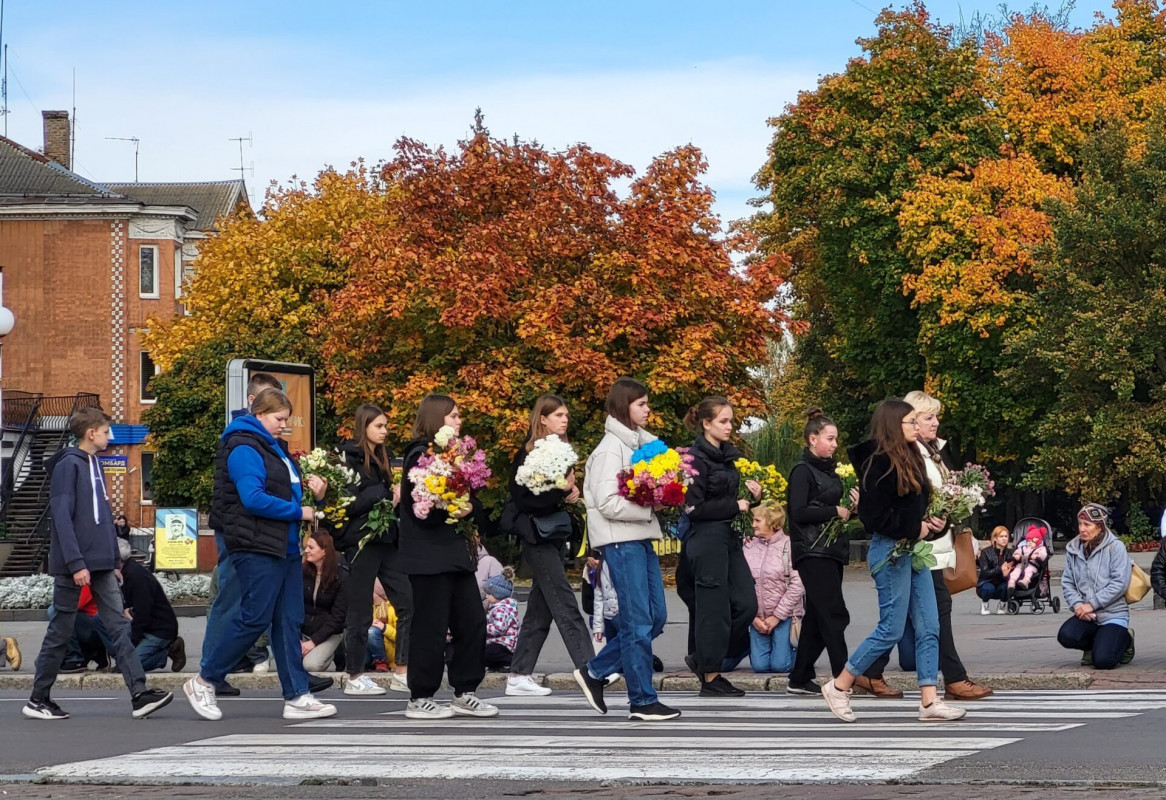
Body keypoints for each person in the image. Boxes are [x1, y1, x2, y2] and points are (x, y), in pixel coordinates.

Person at [184, 388, 335, 721]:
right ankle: (205, 679)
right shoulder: (243, 446)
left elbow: (284, 496)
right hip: (254, 545)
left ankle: (297, 695)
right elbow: (252, 498)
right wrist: (301, 513)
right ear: (260, 413)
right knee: (254, 617)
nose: (284, 425)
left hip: (280, 546)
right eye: (279, 419)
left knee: (288, 620)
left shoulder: (271, 448)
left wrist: (314, 498)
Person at [819, 399, 966, 723]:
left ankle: (929, 700)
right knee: (891, 629)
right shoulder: (878, 464)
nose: (917, 427)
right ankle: (840, 686)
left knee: (930, 625)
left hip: (913, 550)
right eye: (911, 422)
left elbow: (914, 511)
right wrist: (916, 527)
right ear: (893, 426)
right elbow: (874, 517)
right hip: (890, 551)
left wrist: (932, 524)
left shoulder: (911, 457)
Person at [24, 407, 173, 720]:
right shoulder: (69, 466)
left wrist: (111, 559)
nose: (110, 436)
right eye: (106, 431)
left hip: (102, 563)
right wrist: (77, 563)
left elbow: (103, 518)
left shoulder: (94, 463)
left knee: (118, 625)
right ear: (90, 433)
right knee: (61, 631)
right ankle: (38, 697)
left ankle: (139, 694)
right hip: (74, 564)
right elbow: (62, 517)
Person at [863, 391, 993, 702]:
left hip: (933, 542)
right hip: (920, 545)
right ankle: (951, 679)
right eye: (927, 417)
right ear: (909, 422)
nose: (935, 422)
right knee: (928, 612)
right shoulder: (913, 455)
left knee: (911, 615)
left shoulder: (931, 451)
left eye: (935, 417)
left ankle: (870, 672)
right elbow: (915, 500)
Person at [573, 377, 680, 722]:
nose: (648, 410)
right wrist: (649, 507)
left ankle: (594, 672)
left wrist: (662, 497)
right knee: (637, 620)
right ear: (624, 407)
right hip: (620, 539)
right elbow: (605, 501)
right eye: (641, 404)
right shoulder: (609, 449)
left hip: (639, 536)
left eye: (647, 403)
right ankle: (642, 700)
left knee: (656, 617)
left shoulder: (640, 446)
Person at [398, 394, 498, 720]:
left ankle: (465, 690)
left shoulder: (454, 457)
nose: (458, 421)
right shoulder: (420, 455)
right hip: (428, 556)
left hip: (454, 553)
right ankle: (421, 695)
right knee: (431, 626)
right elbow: (421, 507)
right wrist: (454, 504)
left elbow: (471, 500)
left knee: (471, 621)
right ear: (437, 418)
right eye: (453, 416)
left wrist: (467, 505)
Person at [201, 371, 282, 698]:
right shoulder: (241, 437)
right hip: (239, 529)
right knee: (231, 597)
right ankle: (211, 671)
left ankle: (293, 673)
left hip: (256, 528)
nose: (280, 416)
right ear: (253, 403)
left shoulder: (262, 434)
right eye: (270, 404)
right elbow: (246, 494)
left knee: (272, 598)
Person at [506, 394, 592, 698]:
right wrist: (561, 490)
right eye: (557, 415)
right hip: (536, 536)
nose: (564, 419)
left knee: (540, 610)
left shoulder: (561, 452)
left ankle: (518, 675)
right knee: (565, 603)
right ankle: (591, 669)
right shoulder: (529, 454)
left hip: (552, 535)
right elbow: (525, 500)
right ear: (542, 419)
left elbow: (557, 493)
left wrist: (570, 491)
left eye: (566, 415)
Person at [675, 397, 760, 697]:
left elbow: (728, 499)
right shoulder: (695, 459)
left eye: (731, 421)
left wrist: (754, 498)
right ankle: (710, 676)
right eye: (723, 421)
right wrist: (734, 505)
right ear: (706, 423)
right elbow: (694, 509)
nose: (729, 426)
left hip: (727, 537)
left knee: (747, 604)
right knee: (714, 610)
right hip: (706, 540)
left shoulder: (726, 456)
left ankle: (702, 658)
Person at [336, 403, 411, 696]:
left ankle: (402, 671)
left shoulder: (385, 457)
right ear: (364, 425)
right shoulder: (348, 458)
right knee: (360, 610)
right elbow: (349, 503)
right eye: (379, 426)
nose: (384, 431)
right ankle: (354, 675)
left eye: (386, 426)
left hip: (387, 538)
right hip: (361, 539)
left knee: (408, 600)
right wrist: (384, 494)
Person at [785, 408, 856, 696]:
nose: (835, 444)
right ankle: (844, 675)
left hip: (831, 549)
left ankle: (799, 677)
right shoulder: (802, 471)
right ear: (812, 439)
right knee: (834, 613)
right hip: (813, 550)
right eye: (830, 438)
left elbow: (837, 510)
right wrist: (834, 510)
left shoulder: (832, 471)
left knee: (816, 615)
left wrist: (853, 505)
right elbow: (798, 511)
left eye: (836, 438)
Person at [1057, 503, 1135, 670]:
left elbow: (1119, 583)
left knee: (1103, 661)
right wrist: (1078, 605)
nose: (1082, 529)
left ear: (1100, 527)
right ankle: (1092, 645)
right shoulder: (1073, 550)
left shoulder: (1116, 547)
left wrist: (1092, 604)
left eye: (1087, 524)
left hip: (1113, 614)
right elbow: (1068, 582)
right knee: (1066, 636)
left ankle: (1126, 639)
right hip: (1087, 615)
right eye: (1080, 523)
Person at [743, 503, 803, 673]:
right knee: (760, 667)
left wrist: (776, 616)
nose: (753, 524)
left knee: (780, 666)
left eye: (758, 520)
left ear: (772, 522)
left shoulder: (789, 546)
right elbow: (741, 583)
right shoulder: (748, 547)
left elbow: (798, 584)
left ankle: (804, 653)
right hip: (757, 617)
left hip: (784, 616)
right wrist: (753, 618)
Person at [117, 539, 185, 672]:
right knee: (99, 620)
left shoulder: (136, 577)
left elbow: (143, 614)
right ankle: (123, 657)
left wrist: (132, 643)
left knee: (128, 667)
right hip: (143, 624)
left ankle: (167, 652)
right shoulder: (125, 573)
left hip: (159, 630)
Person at [301, 531, 349, 672]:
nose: (306, 551)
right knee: (290, 664)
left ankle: (331, 652)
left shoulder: (342, 577)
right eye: (306, 547)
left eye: (311, 548)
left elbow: (338, 617)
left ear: (324, 551)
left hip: (329, 632)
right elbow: (294, 606)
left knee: (310, 666)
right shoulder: (302, 572)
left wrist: (314, 642)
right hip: (303, 631)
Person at [484, 569, 520, 672]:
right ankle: (496, 665)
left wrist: (483, 627)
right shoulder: (497, 607)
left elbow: (498, 628)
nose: (486, 596)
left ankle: (512, 661)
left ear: (498, 594)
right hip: (499, 642)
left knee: (490, 652)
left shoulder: (501, 609)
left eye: (489, 594)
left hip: (504, 643)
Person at [977, 526, 1012, 614]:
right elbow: (985, 572)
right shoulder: (985, 552)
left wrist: (1007, 574)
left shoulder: (1010, 553)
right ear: (995, 538)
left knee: (1007, 586)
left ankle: (1002, 604)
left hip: (1002, 583)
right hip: (987, 582)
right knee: (988, 588)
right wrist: (1000, 569)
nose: (1004, 539)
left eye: (1006, 536)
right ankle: (985, 604)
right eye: (1001, 536)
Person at [366, 580, 397, 671]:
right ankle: (365, 663)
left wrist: (384, 628)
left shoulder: (396, 607)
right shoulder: (373, 605)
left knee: (372, 631)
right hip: (372, 648)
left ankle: (381, 662)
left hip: (393, 653)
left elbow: (402, 636)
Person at [474, 536, 505, 609]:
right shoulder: (451, 564)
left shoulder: (490, 562)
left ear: (478, 539)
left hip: (485, 615)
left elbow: (501, 593)